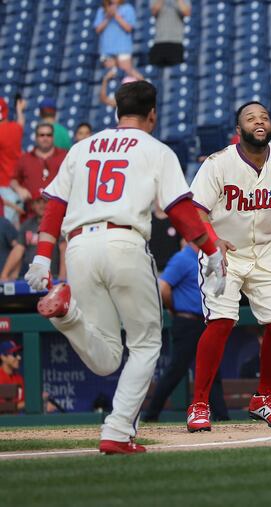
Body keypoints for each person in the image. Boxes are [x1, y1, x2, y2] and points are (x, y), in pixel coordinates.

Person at [24, 80, 227, 455]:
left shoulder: (82, 147)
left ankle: (67, 313)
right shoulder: (155, 148)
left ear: (116, 112)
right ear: (153, 114)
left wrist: (41, 257)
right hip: (124, 240)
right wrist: (212, 250)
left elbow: (54, 205)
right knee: (146, 343)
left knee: (106, 357)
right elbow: (181, 210)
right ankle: (118, 429)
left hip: (79, 246)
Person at [186, 101, 271, 432]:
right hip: (221, 249)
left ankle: (264, 399)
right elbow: (195, 209)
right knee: (222, 321)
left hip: (264, 250)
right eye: (251, 118)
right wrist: (211, 241)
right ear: (238, 131)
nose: (259, 121)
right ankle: (200, 403)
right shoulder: (218, 163)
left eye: (264, 117)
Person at [142, 240, 229, 423]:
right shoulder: (183, 257)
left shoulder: (206, 257)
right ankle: (151, 415)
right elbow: (163, 287)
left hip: (205, 322)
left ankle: (222, 416)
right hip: (187, 321)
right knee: (177, 369)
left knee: (212, 369)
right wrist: (174, 308)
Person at [0, 196, 63, 281]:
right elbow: (18, 249)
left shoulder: (58, 222)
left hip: (52, 276)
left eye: (45, 202)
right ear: (32, 205)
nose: (42, 205)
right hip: (28, 277)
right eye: (38, 202)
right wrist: (4, 274)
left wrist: (63, 277)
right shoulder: (27, 225)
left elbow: (64, 249)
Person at [10, 123, 67, 210]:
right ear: (36, 137)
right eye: (41, 135)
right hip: (31, 212)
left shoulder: (65, 156)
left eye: (49, 135)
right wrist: (19, 189)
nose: (45, 138)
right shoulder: (25, 158)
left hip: (58, 210)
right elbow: (13, 180)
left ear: (53, 137)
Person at [93, 0, 143, 81]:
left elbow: (129, 28)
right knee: (112, 77)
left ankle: (145, 86)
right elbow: (97, 30)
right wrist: (108, 17)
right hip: (107, 50)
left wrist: (116, 15)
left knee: (129, 73)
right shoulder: (102, 10)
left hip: (123, 48)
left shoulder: (127, 8)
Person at [0, 96, 26, 224]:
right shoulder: (15, 128)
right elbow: (21, 123)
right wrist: (19, 110)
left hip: (3, 186)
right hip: (17, 186)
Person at [149, 0, 191, 67]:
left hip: (176, 42)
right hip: (159, 41)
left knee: (176, 73)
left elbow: (187, 13)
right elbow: (154, 11)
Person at [0, 340, 24, 411]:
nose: (19, 357)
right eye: (14, 354)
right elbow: (4, 408)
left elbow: (22, 401)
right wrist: (33, 402)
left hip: (15, 420)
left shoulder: (18, 378)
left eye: (18, 354)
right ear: (3, 357)